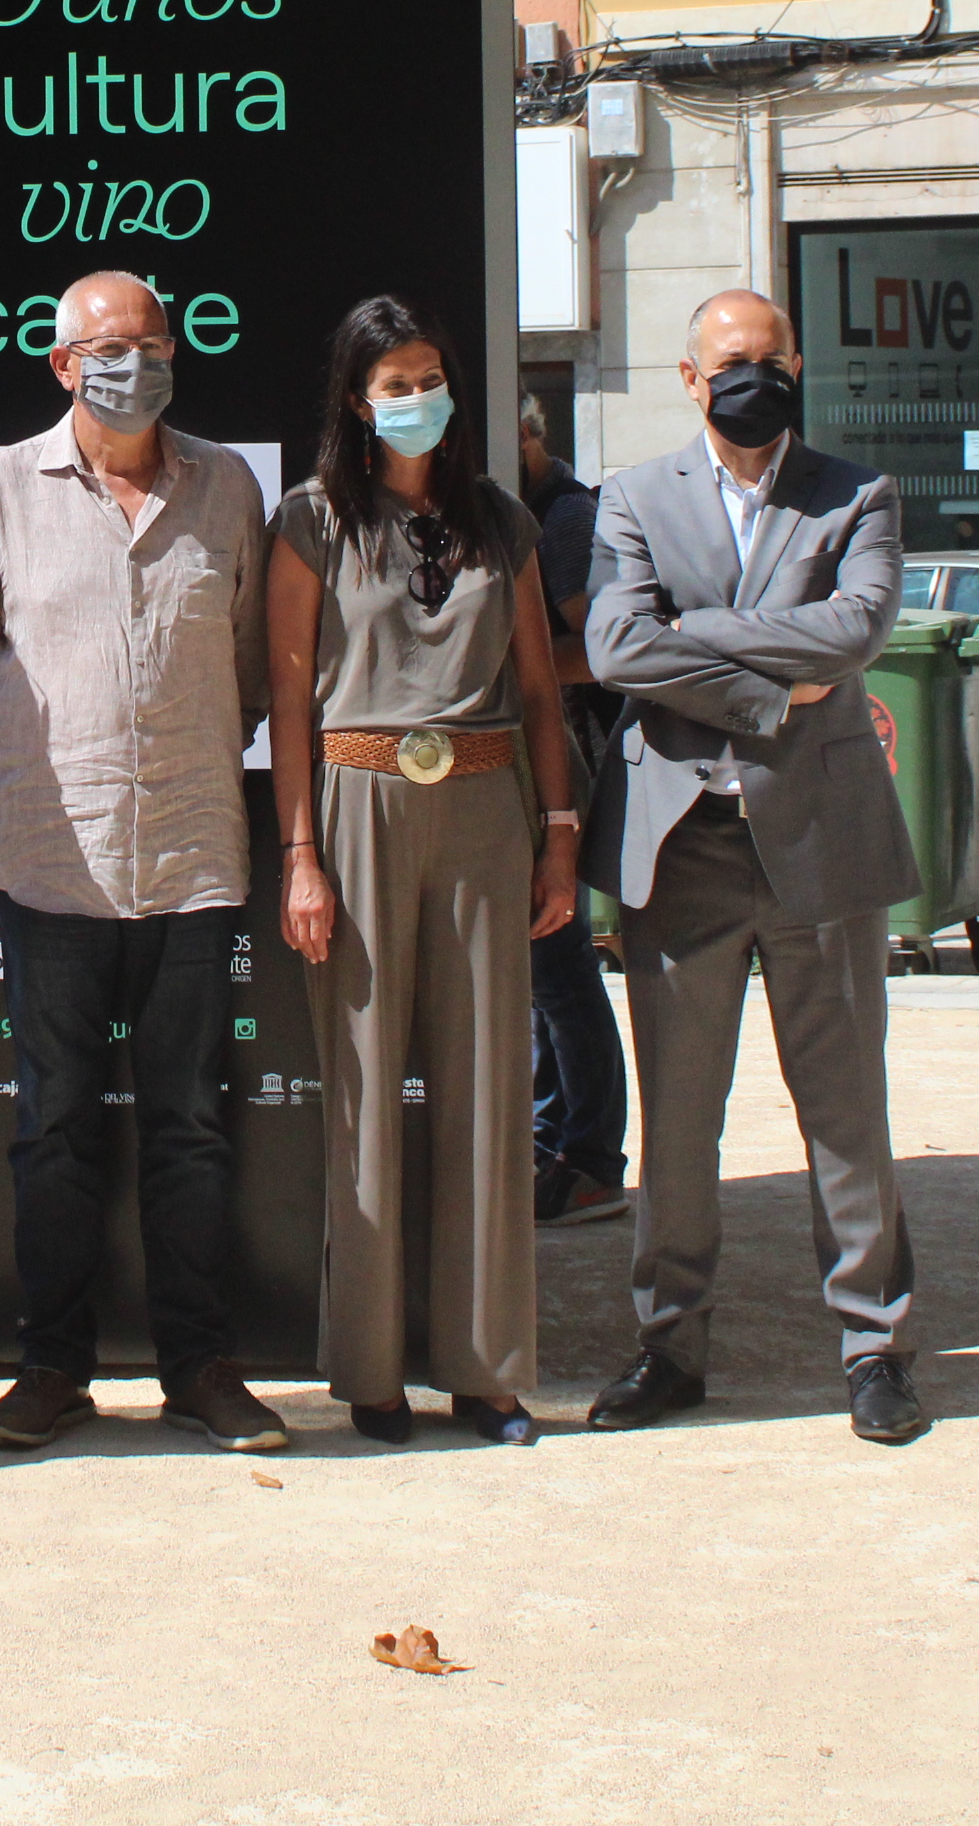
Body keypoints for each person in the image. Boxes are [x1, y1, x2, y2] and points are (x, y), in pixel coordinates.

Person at [0, 271, 287, 1460]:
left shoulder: (229, 486)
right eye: (104, 344)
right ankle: (53, 1367)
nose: (128, 360)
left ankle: (200, 1365)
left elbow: (251, 669)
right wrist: (51, 770)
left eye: (147, 341)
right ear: (60, 362)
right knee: (53, 1127)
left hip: (192, 856)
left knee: (190, 1123)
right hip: (50, 862)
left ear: (175, 351)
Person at [581, 290, 926, 1446]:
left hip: (820, 841)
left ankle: (874, 1343)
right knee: (679, 1122)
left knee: (845, 1109)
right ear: (690, 378)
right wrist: (773, 683)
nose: (754, 378)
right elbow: (615, 644)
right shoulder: (632, 496)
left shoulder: (857, 491)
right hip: (683, 848)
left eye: (774, 358)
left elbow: (859, 630)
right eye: (733, 361)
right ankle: (671, 1346)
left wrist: (701, 630)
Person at [267, 296, 571, 1447]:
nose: (416, 398)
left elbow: (542, 688)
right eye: (393, 381)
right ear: (357, 397)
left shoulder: (499, 518)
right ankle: (372, 1371)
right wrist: (301, 855)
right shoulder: (309, 521)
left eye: (430, 375)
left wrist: (559, 834)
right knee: (364, 1094)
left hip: (487, 803)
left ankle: (488, 1370)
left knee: (490, 1090)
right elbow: (289, 700)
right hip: (355, 804)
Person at [514, 391, 629, 1229]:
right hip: (530, 773)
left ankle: (591, 1156)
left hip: (567, 773)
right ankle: (558, 1142)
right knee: (540, 976)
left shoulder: (562, 520)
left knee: (560, 973)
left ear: (530, 435)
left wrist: (504, 661)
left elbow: (601, 650)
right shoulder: (522, 510)